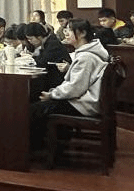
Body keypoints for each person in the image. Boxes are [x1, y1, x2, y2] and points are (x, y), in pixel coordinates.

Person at [29, 19, 109, 150]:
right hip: (84, 100)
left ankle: (37, 149)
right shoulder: (87, 52)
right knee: (40, 105)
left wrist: (52, 94)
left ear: (82, 33)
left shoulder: (86, 57)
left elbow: (75, 88)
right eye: (66, 29)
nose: (66, 33)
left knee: (35, 109)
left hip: (84, 104)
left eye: (70, 30)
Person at [24, 22, 68, 89]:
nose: (29, 41)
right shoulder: (48, 42)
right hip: (51, 77)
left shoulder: (53, 44)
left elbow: (42, 62)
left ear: (39, 36)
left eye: (31, 38)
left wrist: (32, 58)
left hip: (57, 82)